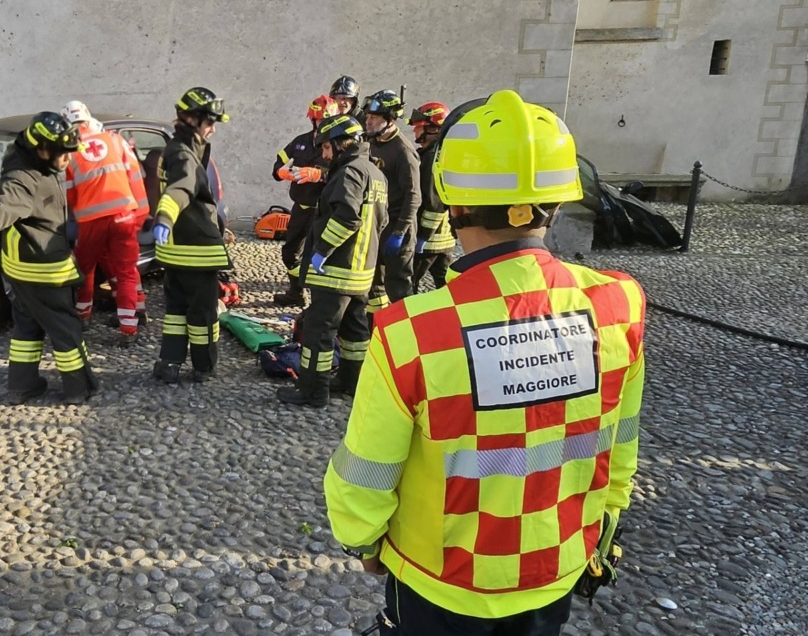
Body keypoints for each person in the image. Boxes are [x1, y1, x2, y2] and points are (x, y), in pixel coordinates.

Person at [324, 90, 645, 636]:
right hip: (558, 566)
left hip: (439, 579)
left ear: (452, 203)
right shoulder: (619, 304)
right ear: (560, 200)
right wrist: (606, 518)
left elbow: (366, 471)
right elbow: (621, 444)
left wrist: (364, 541)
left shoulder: (413, 330)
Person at [0, 112, 100, 404]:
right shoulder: (26, 179)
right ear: (41, 149)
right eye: (62, 155)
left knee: (27, 326)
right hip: (45, 271)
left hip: (20, 268)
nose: (68, 161)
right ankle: (79, 388)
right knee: (66, 330)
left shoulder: (24, 158)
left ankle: (22, 385)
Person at [275, 114, 385, 407]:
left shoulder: (348, 172)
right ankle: (351, 382)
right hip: (362, 272)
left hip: (336, 271)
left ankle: (313, 391)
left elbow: (347, 218)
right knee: (355, 332)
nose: (323, 155)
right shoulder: (374, 173)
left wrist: (322, 250)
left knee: (318, 331)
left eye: (325, 148)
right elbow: (380, 221)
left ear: (339, 144)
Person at [151, 87, 231, 385]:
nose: (212, 129)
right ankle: (203, 367)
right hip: (197, 251)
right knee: (203, 315)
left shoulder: (178, 147)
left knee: (176, 312)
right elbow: (181, 188)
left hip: (176, 251)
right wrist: (165, 217)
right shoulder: (183, 154)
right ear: (192, 119)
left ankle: (169, 364)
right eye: (210, 122)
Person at [61, 100, 148, 346]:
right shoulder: (115, 140)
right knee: (127, 271)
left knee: (85, 269)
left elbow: (70, 194)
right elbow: (136, 177)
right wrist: (141, 214)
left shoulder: (70, 152)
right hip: (124, 216)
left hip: (90, 221)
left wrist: (73, 217)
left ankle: (82, 316)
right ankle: (129, 328)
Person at [271, 94, 337, 307]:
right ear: (312, 120)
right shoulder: (300, 142)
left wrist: (321, 175)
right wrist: (282, 172)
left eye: (325, 121)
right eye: (318, 120)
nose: (321, 124)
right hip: (301, 208)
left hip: (324, 211)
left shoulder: (336, 146)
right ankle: (296, 291)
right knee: (290, 253)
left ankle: (319, 302)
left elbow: (347, 173)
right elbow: (278, 162)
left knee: (319, 257)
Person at [362, 89, 420, 311]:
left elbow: (413, 196)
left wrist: (399, 233)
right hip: (378, 227)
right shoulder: (373, 143)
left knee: (398, 288)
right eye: (367, 117)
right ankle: (374, 325)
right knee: (374, 283)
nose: (368, 122)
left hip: (398, 228)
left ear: (389, 120)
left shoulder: (403, 151)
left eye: (373, 118)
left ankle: (410, 334)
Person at [409, 102, 456, 290]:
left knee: (408, 284)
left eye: (419, 128)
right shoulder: (442, 153)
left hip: (430, 242)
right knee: (448, 288)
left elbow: (434, 203)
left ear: (434, 129)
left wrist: (423, 237)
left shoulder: (430, 159)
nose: (414, 132)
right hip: (445, 239)